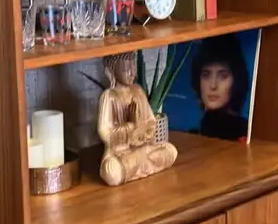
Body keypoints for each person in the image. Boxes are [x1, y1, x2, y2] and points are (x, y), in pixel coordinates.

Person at [97, 52, 177, 186]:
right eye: (126, 69)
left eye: (133, 67)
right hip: (120, 153)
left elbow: (150, 123)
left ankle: (139, 166)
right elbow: (105, 133)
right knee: (112, 172)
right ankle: (141, 166)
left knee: (171, 151)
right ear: (112, 70)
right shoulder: (109, 96)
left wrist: (141, 127)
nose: (131, 72)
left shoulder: (138, 90)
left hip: (142, 148)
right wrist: (130, 126)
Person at [190, 36, 250, 141]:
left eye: (223, 76)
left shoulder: (243, 133)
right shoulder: (197, 131)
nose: (213, 85)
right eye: (206, 75)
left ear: (237, 80)